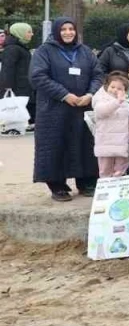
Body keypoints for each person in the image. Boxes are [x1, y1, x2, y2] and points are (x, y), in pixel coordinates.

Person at [30, 18, 103, 200]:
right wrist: (64, 94)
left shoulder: (85, 51)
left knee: (84, 144)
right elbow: (38, 76)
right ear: (57, 31)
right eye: (64, 29)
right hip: (54, 109)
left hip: (82, 107)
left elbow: (98, 74)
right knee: (55, 145)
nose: (68, 32)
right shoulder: (44, 51)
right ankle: (57, 186)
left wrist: (90, 94)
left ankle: (86, 182)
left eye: (71, 29)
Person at [91, 72, 129, 178]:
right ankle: (105, 188)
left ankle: (119, 189)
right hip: (106, 141)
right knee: (105, 169)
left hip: (123, 143)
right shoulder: (101, 100)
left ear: (125, 91)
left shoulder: (127, 105)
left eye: (119, 88)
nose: (115, 90)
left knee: (121, 169)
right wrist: (117, 102)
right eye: (112, 87)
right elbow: (101, 112)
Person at [0, 22, 35, 126]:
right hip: (18, 88)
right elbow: (7, 69)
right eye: (29, 32)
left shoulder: (18, 47)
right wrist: (7, 87)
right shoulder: (13, 48)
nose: (32, 34)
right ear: (20, 33)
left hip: (22, 87)